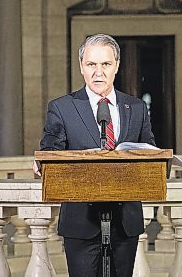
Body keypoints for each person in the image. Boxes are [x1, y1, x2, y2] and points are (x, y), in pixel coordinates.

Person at [37, 34, 156, 277]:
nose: (98, 72)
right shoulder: (62, 107)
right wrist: (44, 160)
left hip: (125, 223)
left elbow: (150, 152)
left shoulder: (136, 107)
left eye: (105, 64)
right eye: (91, 64)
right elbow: (51, 151)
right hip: (81, 222)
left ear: (117, 66)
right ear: (82, 67)